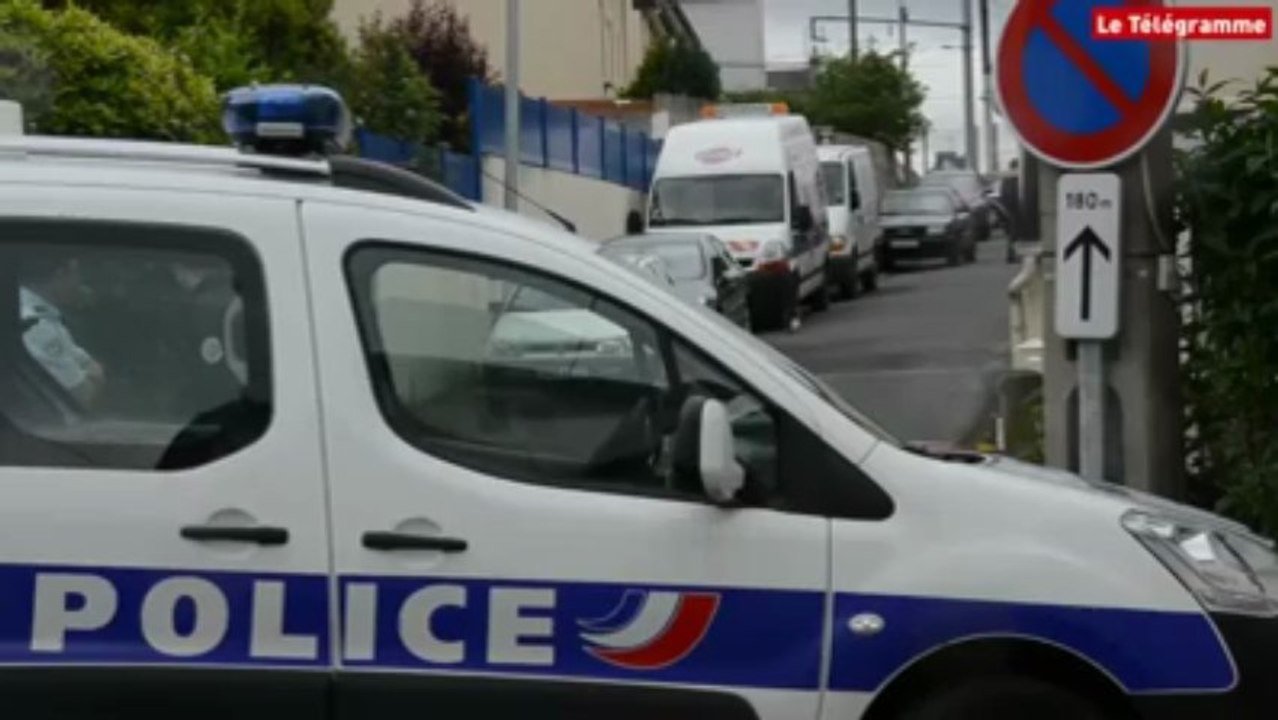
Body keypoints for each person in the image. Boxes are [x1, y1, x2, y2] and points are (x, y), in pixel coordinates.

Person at [19, 256, 106, 409]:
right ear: (60, 275)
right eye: (75, 274)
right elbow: (81, 395)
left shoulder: (43, 315)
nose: (79, 282)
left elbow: (83, 359)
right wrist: (95, 378)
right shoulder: (36, 324)